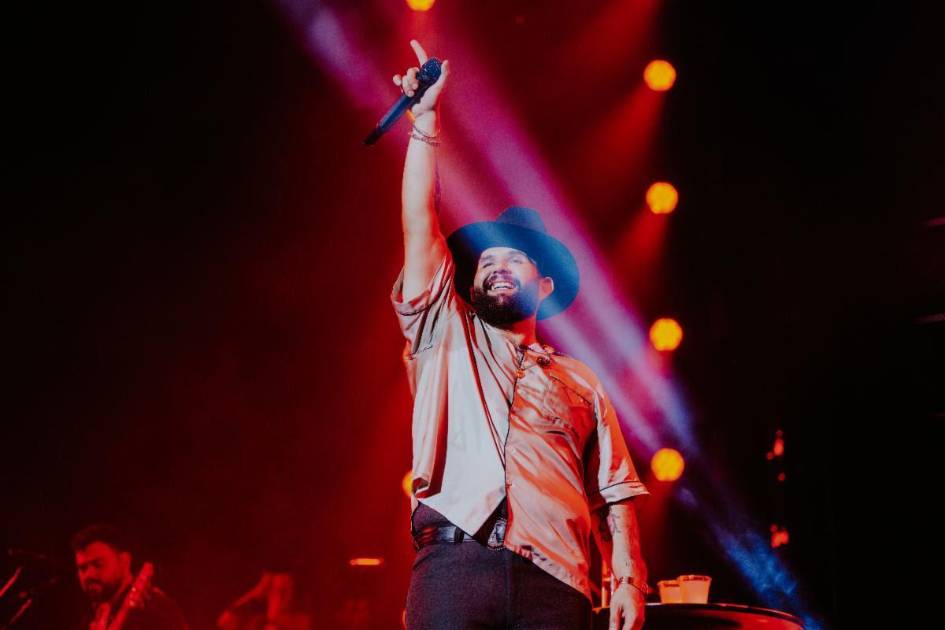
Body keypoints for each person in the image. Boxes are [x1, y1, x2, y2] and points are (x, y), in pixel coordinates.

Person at [391, 41, 650, 630]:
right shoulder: (443, 332)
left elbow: (614, 491)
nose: (498, 266)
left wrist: (629, 578)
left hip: (555, 581)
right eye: (487, 260)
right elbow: (419, 225)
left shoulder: (581, 381)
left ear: (545, 285)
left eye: (515, 260)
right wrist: (425, 124)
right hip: (454, 566)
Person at [72, 523, 187, 630]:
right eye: (83, 568)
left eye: (98, 564)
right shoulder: (92, 617)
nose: (89, 574)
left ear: (124, 561)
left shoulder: (157, 610)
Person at [216, 570, 311, 630]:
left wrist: (272, 623)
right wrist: (231, 609)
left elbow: (273, 592)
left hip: (286, 618)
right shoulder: (271, 577)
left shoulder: (282, 580)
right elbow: (259, 590)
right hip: (272, 618)